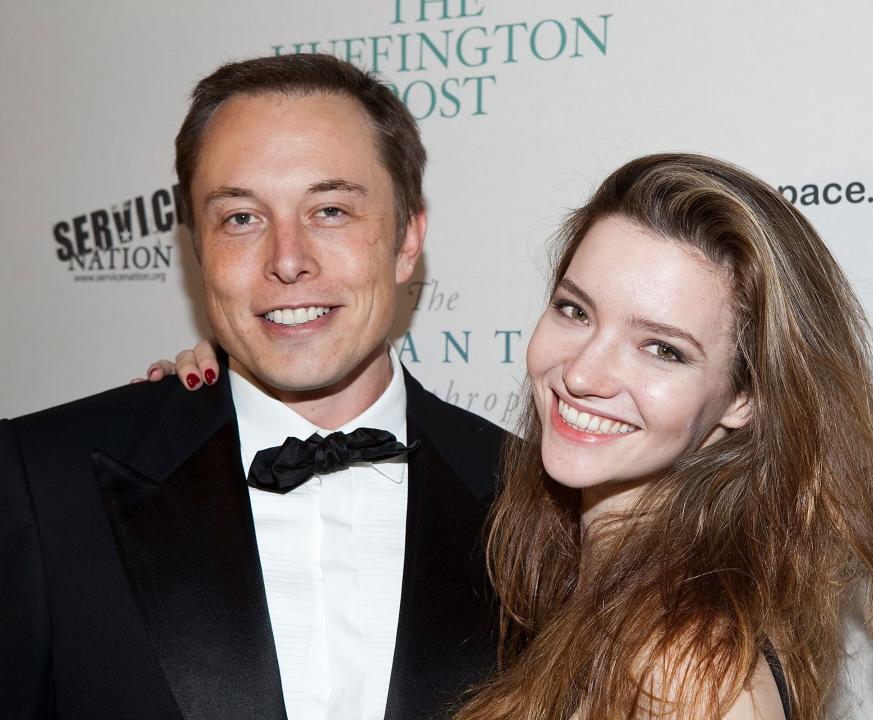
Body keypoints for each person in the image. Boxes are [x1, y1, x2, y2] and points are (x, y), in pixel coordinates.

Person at [160, 153, 873, 719]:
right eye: (576, 311)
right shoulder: (570, 576)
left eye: (661, 348)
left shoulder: (683, 669)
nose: (584, 373)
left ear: (745, 396)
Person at [0, 54, 505, 720]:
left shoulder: (534, 500)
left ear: (408, 238)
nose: (288, 260)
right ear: (198, 248)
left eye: (329, 210)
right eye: (241, 218)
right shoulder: (43, 480)